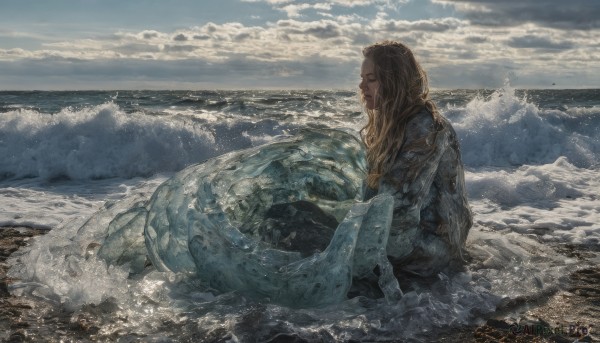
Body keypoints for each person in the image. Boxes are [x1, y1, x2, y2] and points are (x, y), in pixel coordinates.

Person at [359, 40, 473, 277]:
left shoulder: (425, 127)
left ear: (394, 81)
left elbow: (399, 209)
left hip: (433, 249)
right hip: (412, 235)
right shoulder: (391, 122)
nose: (362, 86)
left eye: (371, 80)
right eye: (362, 79)